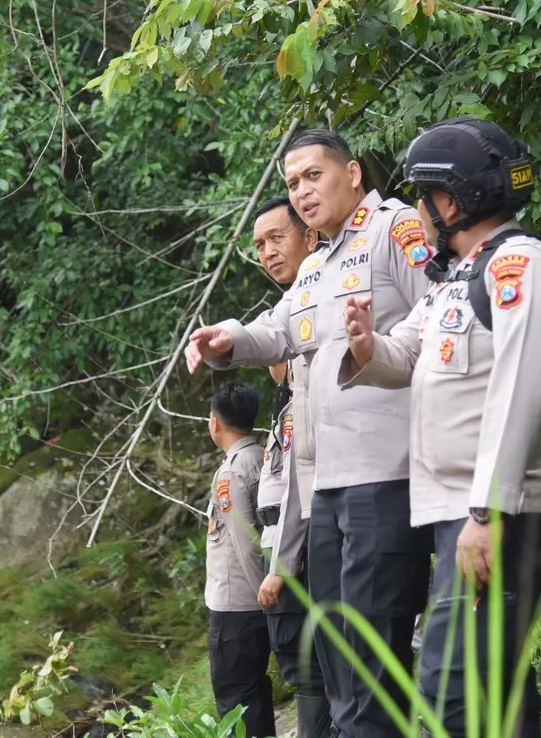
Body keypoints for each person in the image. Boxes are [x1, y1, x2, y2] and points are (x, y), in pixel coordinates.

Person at [339, 117, 541, 738]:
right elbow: (408, 356)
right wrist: (367, 344)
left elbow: (519, 393)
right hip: (472, 508)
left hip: (511, 507)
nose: (421, 212)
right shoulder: (460, 277)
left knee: (451, 686)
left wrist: (487, 513)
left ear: (450, 200)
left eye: (425, 198)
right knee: (495, 680)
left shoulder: (519, 268)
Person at [185, 129, 434, 738]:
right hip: (326, 487)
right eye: (292, 183)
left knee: (373, 652)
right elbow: (276, 331)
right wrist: (228, 340)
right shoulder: (317, 263)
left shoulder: (395, 230)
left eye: (312, 176)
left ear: (352, 174)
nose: (301, 192)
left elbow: (440, 315)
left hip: (389, 474)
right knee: (335, 659)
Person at [249, 196, 333, 738]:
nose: (266, 252)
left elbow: (303, 483)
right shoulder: (284, 402)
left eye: (276, 237)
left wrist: (281, 566)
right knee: (305, 668)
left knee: (318, 670)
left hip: (315, 541)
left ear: (311, 237)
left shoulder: (330, 314)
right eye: (258, 245)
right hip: (291, 547)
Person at [205, 381, 276, 738]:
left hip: (237, 607)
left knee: (235, 701)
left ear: (215, 422)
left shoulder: (231, 472)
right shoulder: (263, 455)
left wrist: (263, 601)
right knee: (255, 694)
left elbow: (247, 541)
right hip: (255, 600)